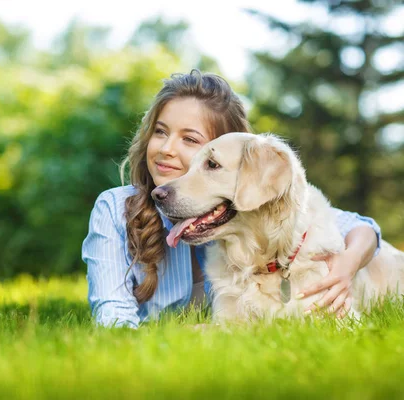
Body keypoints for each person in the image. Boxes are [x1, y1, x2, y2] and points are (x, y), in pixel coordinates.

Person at [81, 69, 381, 328]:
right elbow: (113, 319)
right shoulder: (114, 209)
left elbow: (360, 226)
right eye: (160, 132)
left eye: (190, 139)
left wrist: (347, 264)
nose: (166, 149)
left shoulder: (245, 207)